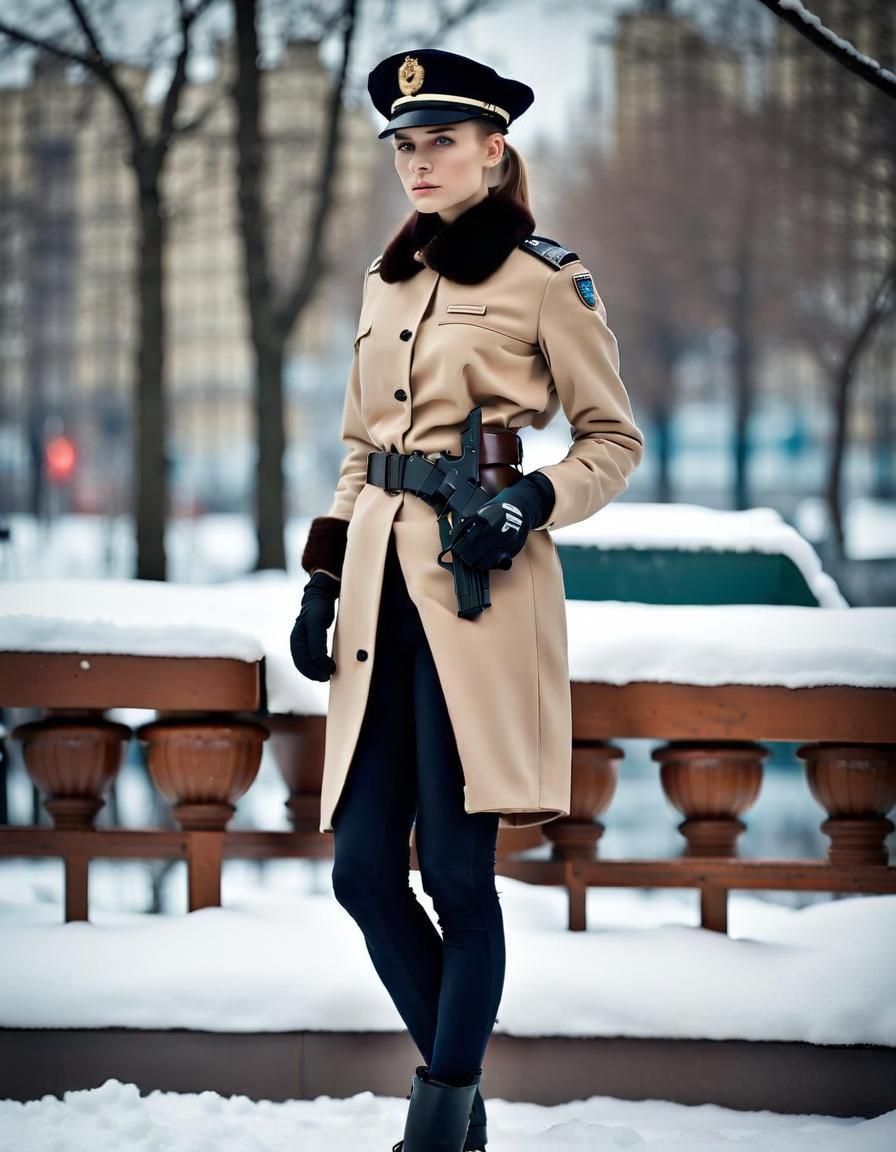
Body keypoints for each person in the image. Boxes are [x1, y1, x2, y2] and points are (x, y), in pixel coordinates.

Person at [290, 47, 645, 1152]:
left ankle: (439, 1126)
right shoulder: (384, 282)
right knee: (359, 872)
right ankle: (461, 1096)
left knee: (453, 870)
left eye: (440, 140)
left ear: (494, 148)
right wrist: (319, 578)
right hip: (379, 602)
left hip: (480, 600)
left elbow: (612, 441)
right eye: (404, 144)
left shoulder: (546, 277)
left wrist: (531, 499)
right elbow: (362, 449)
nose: (417, 162)